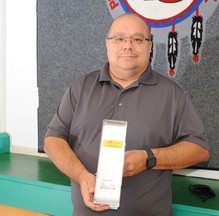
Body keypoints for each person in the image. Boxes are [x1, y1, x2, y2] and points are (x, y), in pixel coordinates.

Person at [44, 13, 210, 216]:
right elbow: (53, 139)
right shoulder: (81, 88)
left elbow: (199, 150)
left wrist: (148, 158)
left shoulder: (172, 94)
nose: (128, 45)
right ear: (107, 44)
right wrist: (81, 176)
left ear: (150, 46)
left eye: (138, 39)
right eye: (119, 38)